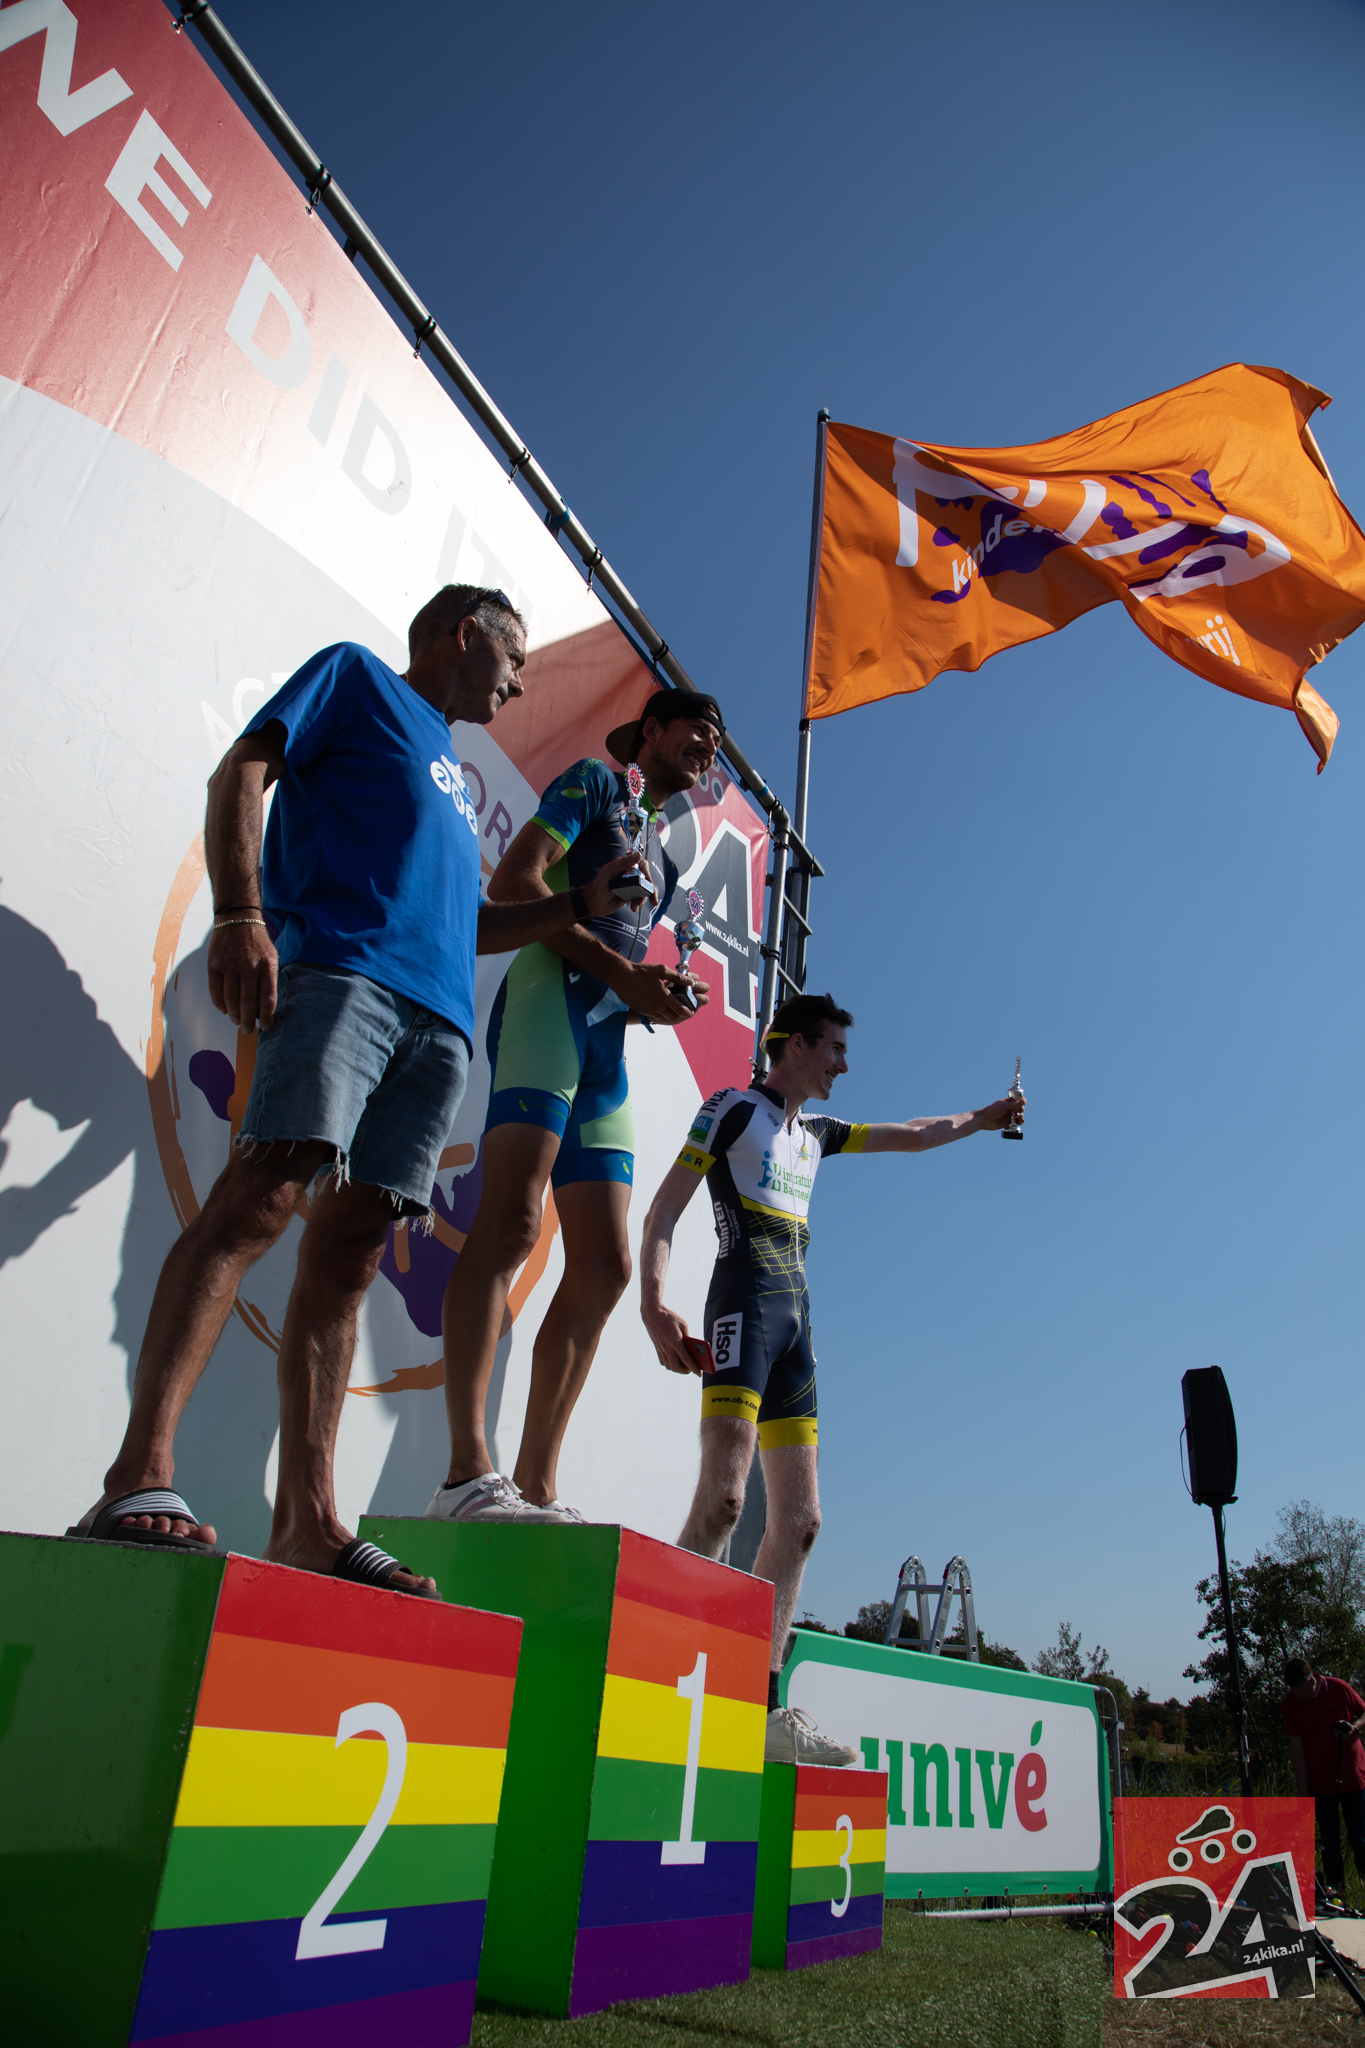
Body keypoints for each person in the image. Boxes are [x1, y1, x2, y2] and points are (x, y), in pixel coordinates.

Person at [70, 586, 640, 1598]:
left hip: (438, 1029)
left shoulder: (454, 772)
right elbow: (243, 769)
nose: (517, 684)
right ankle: (136, 1475)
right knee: (260, 1200)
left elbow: (469, 922)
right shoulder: (357, 677)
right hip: (341, 979)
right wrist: (239, 912)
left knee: (351, 1254)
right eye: (513, 660)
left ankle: (308, 1523)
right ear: (464, 634)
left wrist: (575, 906)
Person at [639, 990, 1024, 1762]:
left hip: (796, 1329)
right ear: (795, 1045)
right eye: (835, 1049)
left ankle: (760, 1705)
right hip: (742, 1308)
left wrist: (982, 1118)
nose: (844, 1065)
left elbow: (914, 1134)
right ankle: (652, 1675)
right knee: (723, 1502)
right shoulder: (730, 1109)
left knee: (802, 1523)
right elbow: (662, 1213)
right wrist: (654, 1306)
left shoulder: (816, 1134)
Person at [428, 687, 723, 1524]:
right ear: (651, 730)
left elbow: (622, 957)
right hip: (542, 1010)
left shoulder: (665, 858)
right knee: (512, 1225)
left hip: (604, 1045)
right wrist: (623, 972)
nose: (707, 747)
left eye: (716, 740)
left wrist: (650, 992)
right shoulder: (594, 783)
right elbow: (513, 883)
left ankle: (534, 1486)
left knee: (605, 1265)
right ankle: (464, 1474)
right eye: (697, 729)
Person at [1283, 1655, 1365, 1902]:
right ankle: (1336, 1891)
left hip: (1354, 1777)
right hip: (1319, 1783)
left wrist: (1354, 1727)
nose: (1298, 1694)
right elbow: (1296, 1747)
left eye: (1301, 1689)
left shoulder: (1338, 1688)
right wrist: (1303, 1789)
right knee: (1329, 1841)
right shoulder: (1290, 1703)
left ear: (1311, 1680)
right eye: (1293, 1690)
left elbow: (1364, 1712)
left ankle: (1362, 1887)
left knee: (1360, 1837)